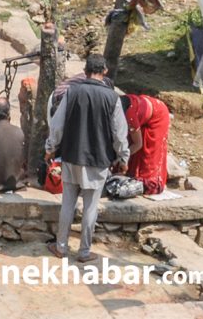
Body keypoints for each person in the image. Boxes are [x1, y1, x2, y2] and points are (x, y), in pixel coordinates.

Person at [45, 54, 129, 263]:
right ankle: (84, 252)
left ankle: (61, 247)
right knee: (91, 206)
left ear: (85, 70)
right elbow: (120, 133)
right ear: (105, 71)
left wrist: (50, 148)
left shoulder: (72, 92)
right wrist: (123, 157)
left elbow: (57, 125)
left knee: (68, 203)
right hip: (98, 160)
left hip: (71, 156)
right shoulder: (112, 98)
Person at [120, 94, 170, 195]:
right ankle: (133, 173)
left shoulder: (130, 116)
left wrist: (122, 160)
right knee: (129, 142)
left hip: (158, 115)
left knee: (149, 153)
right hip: (142, 109)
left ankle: (151, 181)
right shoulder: (115, 107)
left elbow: (138, 144)